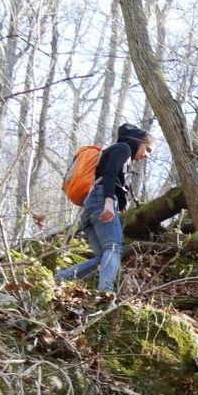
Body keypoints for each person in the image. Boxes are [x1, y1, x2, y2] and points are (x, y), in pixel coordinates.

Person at [55, 123, 154, 293]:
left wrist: (121, 201)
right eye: (148, 149)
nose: (147, 155)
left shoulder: (117, 153)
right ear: (139, 141)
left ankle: (60, 279)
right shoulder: (124, 148)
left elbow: (111, 177)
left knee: (102, 258)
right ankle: (106, 292)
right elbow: (109, 174)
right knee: (113, 248)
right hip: (100, 200)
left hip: (88, 207)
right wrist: (109, 201)